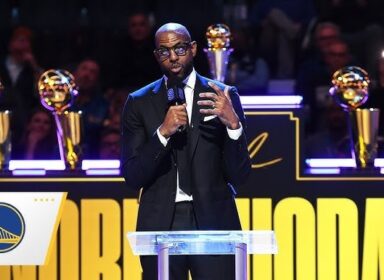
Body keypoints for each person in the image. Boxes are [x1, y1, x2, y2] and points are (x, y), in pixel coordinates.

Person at [121, 23, 251, 279]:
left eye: (179, 48)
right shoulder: (139, 102)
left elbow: (241, 176)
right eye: (164, 51)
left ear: (192, 49)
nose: (172, 57)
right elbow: (132, 176)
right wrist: (162, 133)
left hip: (214, 220)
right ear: (156, 55)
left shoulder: (222, 96)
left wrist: (234, 126)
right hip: (161, 223)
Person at [70, 58, 109, 158]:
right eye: (84, 69)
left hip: (92, 158)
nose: (86, 75)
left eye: (92, 72)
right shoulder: (61, 102)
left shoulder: (103, 105)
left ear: (97, 79)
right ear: (75, 73)